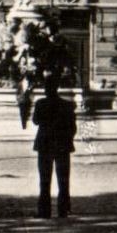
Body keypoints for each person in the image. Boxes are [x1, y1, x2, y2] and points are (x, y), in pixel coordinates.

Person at [31, 71, 77, 219]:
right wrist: (67, 139)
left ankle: (44, 211)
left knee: (44, 179)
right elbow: (73, 127)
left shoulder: (40, 103)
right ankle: (63, 209)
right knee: (63, 179)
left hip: (45, 144)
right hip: (62, 145)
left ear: (46, 88)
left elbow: (35, 121)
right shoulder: (67, 105)